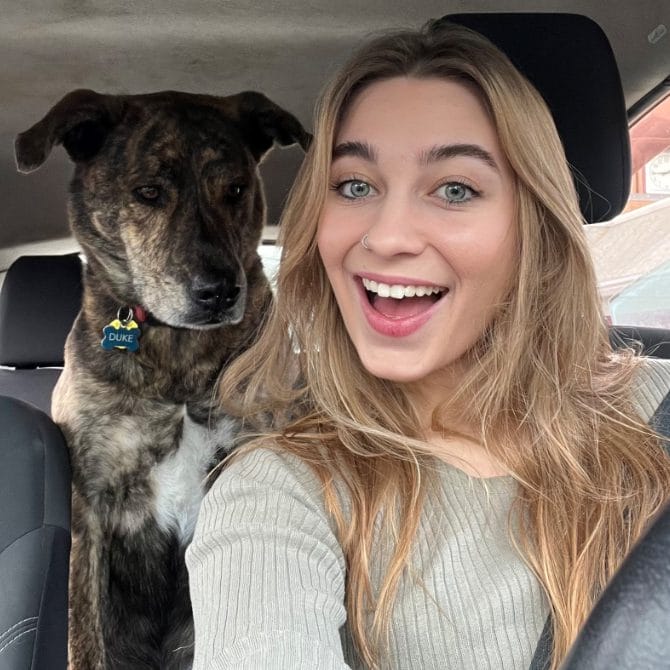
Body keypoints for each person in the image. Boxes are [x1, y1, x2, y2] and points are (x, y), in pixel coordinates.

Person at [185, 20, 670, 670]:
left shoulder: (661, 411)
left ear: (534, 228)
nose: (386, 237)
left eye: (455, 189)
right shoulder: (279, 493)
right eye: (355, 185)